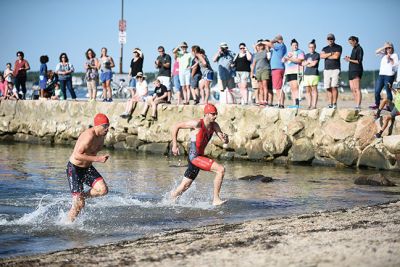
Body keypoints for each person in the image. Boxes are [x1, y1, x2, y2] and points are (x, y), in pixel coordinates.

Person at [171, 103, 229, 205]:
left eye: (216, 114)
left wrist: (226, 138)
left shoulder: (214, 125)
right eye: (213, 114)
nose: (215, 116)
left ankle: (171, 199)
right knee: (221, 170)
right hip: (194, 157)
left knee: (185, 185)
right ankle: (216, 199)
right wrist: (174, 145)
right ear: (206, 114)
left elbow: (224, 141)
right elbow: (176, 126)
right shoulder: (197, 123)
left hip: (199, 157)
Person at [66, 113, 110, 222]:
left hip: (87, 168)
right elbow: (76, 155)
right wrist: (98, 159)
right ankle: (67, 225)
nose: (107, 129)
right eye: (104, 126)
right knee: (79, 205)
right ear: (97, 126)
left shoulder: (101, 136)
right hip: (75, 169)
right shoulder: (89, 136)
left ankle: (81, 197)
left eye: (108, 125)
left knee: (103, 190)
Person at [370, 42, 399, 110]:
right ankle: (377, 104)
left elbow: (396, 66)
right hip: (381, 75)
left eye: (390, 47)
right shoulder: (383, 54)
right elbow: (376, 52)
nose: (388, 49)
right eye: (387, 48)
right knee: (377, 91)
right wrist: (384, 47)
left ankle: (389, 106)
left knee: (388, 91)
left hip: (389, 76)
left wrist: (390, 59)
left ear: (392, 48)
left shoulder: (395, 55)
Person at [320, 33, 342, 109]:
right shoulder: (324, 48)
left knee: (334, 86)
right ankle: (330, 103)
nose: (330, 40)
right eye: (328, 39)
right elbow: (321, 56)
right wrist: (330, 54)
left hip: (335, 69)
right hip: (326, 70)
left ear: (334, 39)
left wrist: (327, 56)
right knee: (328, 87)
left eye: (331, 39)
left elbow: (336, 56)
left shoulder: (338, 47)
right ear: (327, 40)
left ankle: (334, 103)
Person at [265, 35, 287, 108]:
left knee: (278, 88)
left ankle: (281, 104)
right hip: (278, 68)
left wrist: (272, 40)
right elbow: (269, 46)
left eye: (277, 40)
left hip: (277, 68)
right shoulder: (280, 46)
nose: (275, 42)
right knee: (279, 87)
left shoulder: (280, 46)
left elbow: (268, 44)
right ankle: (281, 103)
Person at [282, 39, 305, 108]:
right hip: (289, 72)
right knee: (292, 88)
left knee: (295, 87)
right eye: (293, 45)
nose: (295, 46)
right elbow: (283, 60)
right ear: (291, 46)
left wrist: (290, 59)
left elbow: (299, 60)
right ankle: (294, 102)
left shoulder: (300, 52)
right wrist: (285, 58)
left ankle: (297, 103)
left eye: (296, 45)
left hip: (297, 71)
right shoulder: (289, 53)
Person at [344, 36, 364, 111]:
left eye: (351, 42)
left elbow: (359, 61)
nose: (350, 44)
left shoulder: (359, 48)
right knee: (352, 89)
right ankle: (356, 104)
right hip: (351, 70)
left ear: (355, 41)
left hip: (357, 70)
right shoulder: (353, 49)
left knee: (357, 88)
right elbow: (353, 59)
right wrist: (349, 58)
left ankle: (358, 105)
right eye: (349, 43)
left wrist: (349, 60)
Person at [251, 40, 270, 106]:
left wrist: (263, 42)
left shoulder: (266, 51)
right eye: (259, 45)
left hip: (265, 70)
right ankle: (261, 100)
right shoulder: (256, 54)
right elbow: (253, 64)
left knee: (265, 86)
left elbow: (269, 45)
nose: (260, 46)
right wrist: (252, 73)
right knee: (260, 87)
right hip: (258, 71)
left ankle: (265, 100)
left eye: (261, 45)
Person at [302, 39, 320, 109]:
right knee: (307, 90)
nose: (311, 48)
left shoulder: (317, 55)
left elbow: (313, 64)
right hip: (306, 74)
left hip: (314, 74)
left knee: (314, 90)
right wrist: (308, 63)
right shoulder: (306, 55)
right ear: (308, 48)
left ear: (315, 47)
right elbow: (303, 63)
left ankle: (314, 105)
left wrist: (308, 63)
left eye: (312, 47)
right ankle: (309, 105)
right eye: (310, 47)